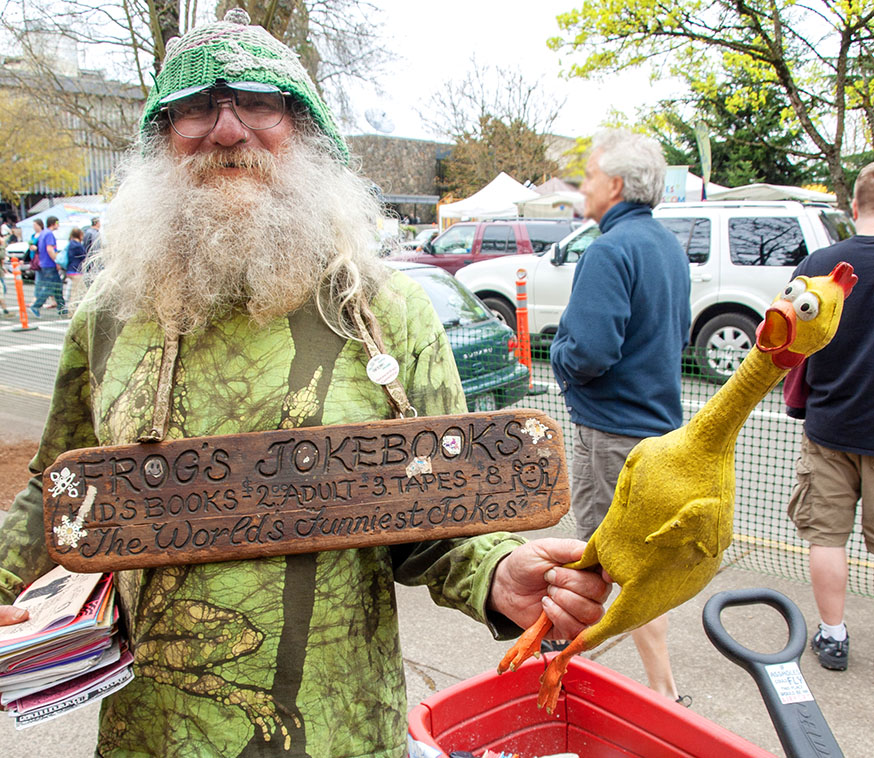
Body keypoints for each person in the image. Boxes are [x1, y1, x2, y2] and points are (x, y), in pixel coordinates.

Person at [0, 10, 610, 757]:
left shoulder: (388, 313)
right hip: (152, 736)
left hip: (340, 731)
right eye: (195, 108)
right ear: (161, 139)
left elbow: (441, 520)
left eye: (258, 103)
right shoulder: (107, 318)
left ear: (306, 130)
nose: (227, 131)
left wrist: (496, 572)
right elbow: (57, 489)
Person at [549, 128, 692, 702]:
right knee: (632, 563)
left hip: (611, 437)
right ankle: (657, 686)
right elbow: (673, 335)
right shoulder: (666, 247)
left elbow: (587, 353)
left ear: (614, 184)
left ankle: (564, 664)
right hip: (661, 434)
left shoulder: (608, 250)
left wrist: (558, 354)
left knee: (600, 561)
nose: (581, 186)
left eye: (587, 175)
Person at [784, 162, 874, 672]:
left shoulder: (821, 264)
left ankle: (833, 636)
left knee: (827, 537)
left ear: (854, 207)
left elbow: (788, 341)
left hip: (829, 424)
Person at [30, 215, 66, 318]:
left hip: (44, 264)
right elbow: (50, 249)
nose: (58, 225)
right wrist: (57, 261)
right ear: (54, 223)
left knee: (57, 287)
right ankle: (36, 306)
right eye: (57, 223)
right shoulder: (49, 234)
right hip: (49, 264)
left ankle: (62, 309)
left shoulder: (43, 233)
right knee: (50, 287)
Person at [63, 226, 88, 313]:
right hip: (76, 271)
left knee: (76, 291)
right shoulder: (77, 245)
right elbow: (84, 256)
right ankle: (72, 311)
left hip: (70, 270)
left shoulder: (70, 243)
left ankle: (74, 309)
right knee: (76, 292)